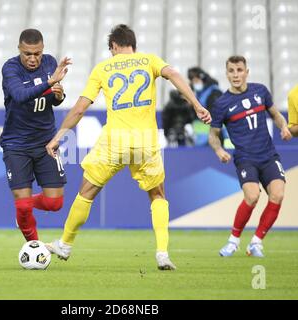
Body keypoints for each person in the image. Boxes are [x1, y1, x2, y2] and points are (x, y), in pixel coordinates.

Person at [45, 24, 211, 270]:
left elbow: (80, 107)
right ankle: (163, 254)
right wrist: (196, 104)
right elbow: (175, 75)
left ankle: (65, 244)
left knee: (87, 191)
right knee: (157, 195)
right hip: (146, 141)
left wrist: (58, 136)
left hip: (115, 140)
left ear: (113, 46)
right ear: (133, 44)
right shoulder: (149, 60)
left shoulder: (103, 68)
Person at [208, 55, 292, 258]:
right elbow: (213, 135)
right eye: (231, 71)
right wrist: (219, 150)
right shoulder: (222, 104)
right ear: (226, 74)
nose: (236, 75)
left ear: (247, 72)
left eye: (239, 70)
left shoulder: (260, 91)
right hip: (245, 158)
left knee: (278, 194)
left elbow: (276, 114)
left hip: (268, 155)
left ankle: (256, 242)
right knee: (252, 196)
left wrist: (283, 127)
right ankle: (233, 241)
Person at [0, 29, 72, 242]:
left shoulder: (50, 63)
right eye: (28, 54)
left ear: (43, 50)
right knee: (23, 209)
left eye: (37, 53)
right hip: (17, 145)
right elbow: (21, 96)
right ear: (19, 50)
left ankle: (22, 207)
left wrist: (59, 95)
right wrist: (50, 83)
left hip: (46, 144)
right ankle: (34, 246)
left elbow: (52, 99)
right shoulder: (10, 68)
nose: (33, 59)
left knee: (54, 204)